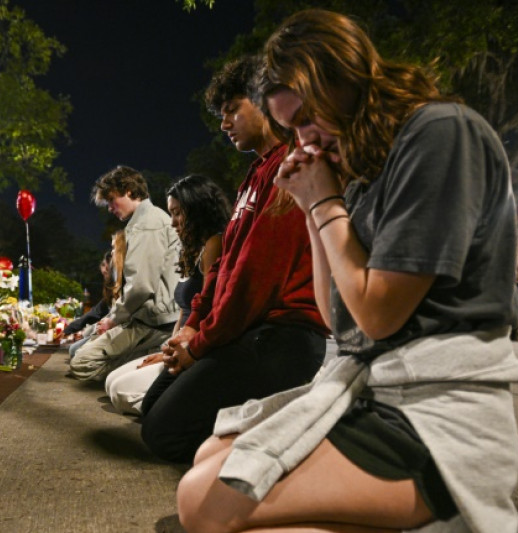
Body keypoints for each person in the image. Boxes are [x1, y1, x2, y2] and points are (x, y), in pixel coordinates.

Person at [176, 10, 518, 533]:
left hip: (436, 406)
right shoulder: (362, 168)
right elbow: (340, 319)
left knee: (201, 502)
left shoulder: (440, 132)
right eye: (294, 130)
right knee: (210, 452)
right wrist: (314, 206)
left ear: (341, 82)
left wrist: (323, 204)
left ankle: (451, 508)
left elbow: (381, 314)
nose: (306, 142)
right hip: (372, 384)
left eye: (306, 119)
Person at [140, 55, 329, 464]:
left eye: (231, 111)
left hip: (283, 336)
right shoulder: (251, 177)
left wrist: (202, 343)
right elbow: (224, 268)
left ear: (263, 102)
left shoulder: (292, 167)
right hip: (244, 330)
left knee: (163, 433)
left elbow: (254, 278)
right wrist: (191, 329)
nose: (224, 124)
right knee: (152, 406)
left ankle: (294, 444)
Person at [105, 175, 230, 415]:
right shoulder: (192, 249)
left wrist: (172, 356)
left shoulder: (216, 243)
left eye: (178, 213)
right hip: (179, 342)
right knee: (112, 382)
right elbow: (185, 311)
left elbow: (207, 311)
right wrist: (166, 350)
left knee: (121, 392)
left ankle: (184, 408)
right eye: (170, 214)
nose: (173, 223)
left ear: (199, 210)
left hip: (199, 349)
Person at [68, 166, 180, 381]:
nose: (110, 208)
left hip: (154, 323)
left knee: (82, 363)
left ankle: (145, 362)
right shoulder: (145, 220)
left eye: (111, 200)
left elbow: (140, 287)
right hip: (148, 317)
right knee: (79, 350)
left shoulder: (147, 224)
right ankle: (137, 361)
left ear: (129, 190)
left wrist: (113, 320)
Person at [64, 248, 116, 361]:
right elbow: (94, 313)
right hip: (104, 330)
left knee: (74, 351)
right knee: (73, 350)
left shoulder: (120, 287)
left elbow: (97, 314)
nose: (104, 272)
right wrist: (70, 329)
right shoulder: (109, 290)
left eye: (106, 271)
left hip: (115, 331)